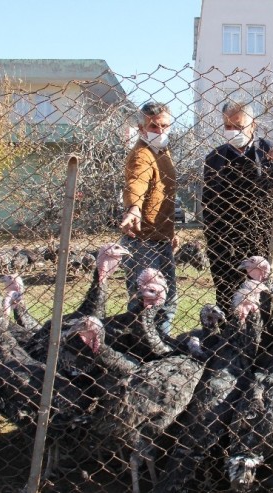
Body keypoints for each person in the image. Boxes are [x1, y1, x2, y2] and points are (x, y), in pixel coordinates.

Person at [202, 101, 273, 316]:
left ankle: (269, 336)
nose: (233, 131)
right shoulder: (215, 159)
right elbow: (209, 205)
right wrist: (215, 242)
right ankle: (231, 335)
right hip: (230, 238)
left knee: (270, 293)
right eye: (227, 126)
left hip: (271, 234)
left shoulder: (271, 151)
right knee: (230, 293)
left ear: (253, 125)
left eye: (239, 125)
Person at [119, 101, 178, 335]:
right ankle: (144, 346)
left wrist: (170, 233)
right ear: (141, 128)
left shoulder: (162, 151)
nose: (161, 131)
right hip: (143, 241)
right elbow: (137, 182)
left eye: (165, 125)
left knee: (166, 298)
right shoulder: (142, 155)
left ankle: (158, 342)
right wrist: (133, 208)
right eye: (154, 127)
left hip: (160, 237)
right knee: (146, 302)